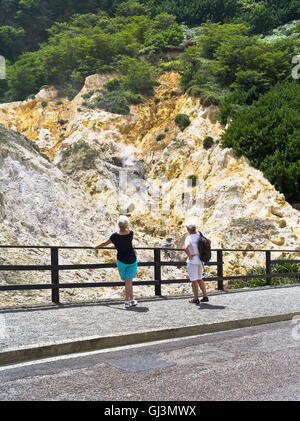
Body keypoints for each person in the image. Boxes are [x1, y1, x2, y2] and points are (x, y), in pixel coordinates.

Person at [94, 216, 138, 309]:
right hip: (132, 260)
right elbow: (129, 229)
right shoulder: (131, 233)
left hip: (121, 261)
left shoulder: (114, 236)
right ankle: (128, 300)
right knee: (129, 281)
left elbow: (105, 243)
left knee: (127, 281)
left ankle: (130, 300)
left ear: (118, 225)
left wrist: (96, 246)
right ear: (127, 225)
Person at [184, 221, 209, 304]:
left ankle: (196, 298)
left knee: (194, 280)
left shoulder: (189, 238)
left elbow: (186, 247)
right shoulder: (200, 236)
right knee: (199, 278)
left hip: (193, 260)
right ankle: (205, 296)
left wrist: (190, 255)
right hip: (201, 259)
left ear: (188, 229)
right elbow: (209, 241)